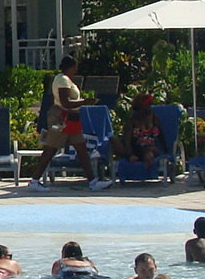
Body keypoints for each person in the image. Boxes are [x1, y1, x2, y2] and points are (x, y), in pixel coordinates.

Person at [27, 55, 112, 192]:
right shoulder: (62, 80)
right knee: (51, 149)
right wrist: (85, 102)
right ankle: (34, 181)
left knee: (82, 150)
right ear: (71, 66)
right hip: (62, 120)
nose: (76, 69)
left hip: (72, 120)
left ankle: (93, 182)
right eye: (75, 67)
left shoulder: (66, 80)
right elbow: (65, 102)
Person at [115, 93, 167, 170]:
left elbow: (161, 136)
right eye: (147, 106)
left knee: (149, 149)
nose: (150, 108)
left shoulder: (154, 118)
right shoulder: (131, 121)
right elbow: (127, 141)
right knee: (142, 148)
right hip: (137, 149)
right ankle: (146, 160)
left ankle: (148, 159)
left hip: (152, 148)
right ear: (140, 107)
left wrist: (167, 152)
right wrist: (131, 154)